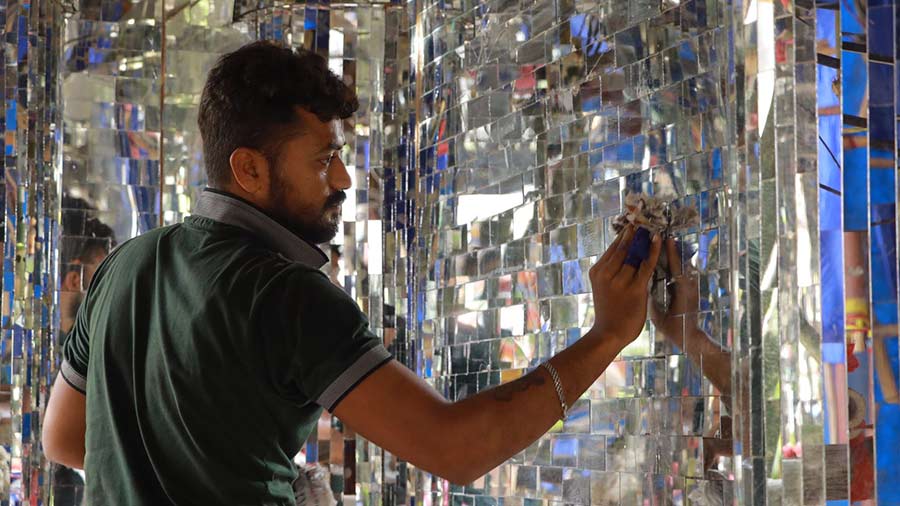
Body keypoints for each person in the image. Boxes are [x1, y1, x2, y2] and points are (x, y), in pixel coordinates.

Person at [41, 41, 662, 505]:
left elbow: (64, 437)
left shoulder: (127, 264)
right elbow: (457, 449)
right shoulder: (284, 294)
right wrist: (607, 336)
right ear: (249, 169)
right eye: (324, 160)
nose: (341, 180)